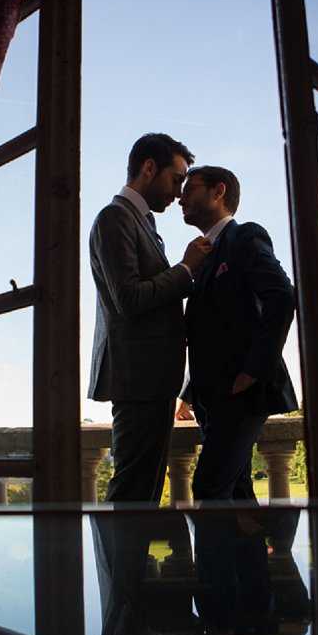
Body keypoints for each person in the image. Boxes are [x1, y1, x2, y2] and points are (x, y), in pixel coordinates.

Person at [178, 165, 298, 635]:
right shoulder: (203, 256)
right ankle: (256, 612)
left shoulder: (246, 237)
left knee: (209, 484)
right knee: (240, 495)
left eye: (190, 190)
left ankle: (219, 619)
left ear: (218, 192)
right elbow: (210, 332)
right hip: (212, 399)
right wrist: (189, 392)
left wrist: (256, 368)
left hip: (244, 392)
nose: (182, 199)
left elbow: (281, 296)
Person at [88, 133, 212, 504]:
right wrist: (187, 269)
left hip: (150, 381)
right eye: (176, 179)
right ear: (148, 168)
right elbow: (129, 298)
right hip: (138, 380)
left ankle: (130, 563)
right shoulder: (115, 218)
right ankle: (121, 563)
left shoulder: (139, 223)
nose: (178, 194)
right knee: (131, 494)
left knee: (143, 493)